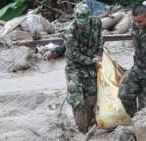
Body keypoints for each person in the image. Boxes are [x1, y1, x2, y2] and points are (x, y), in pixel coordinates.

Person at [43, 3, 103, 133]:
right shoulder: (70, 31)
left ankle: (91, 126)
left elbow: (99, 41)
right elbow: (73, 55)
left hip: (91, 67)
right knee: (77, 100)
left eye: (85, 22)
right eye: (80, 23)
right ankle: (81, 130)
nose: (82, 25)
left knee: (91, 99)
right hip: (75, 68)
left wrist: (99, 56)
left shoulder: (96, 23)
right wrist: (93, 61)